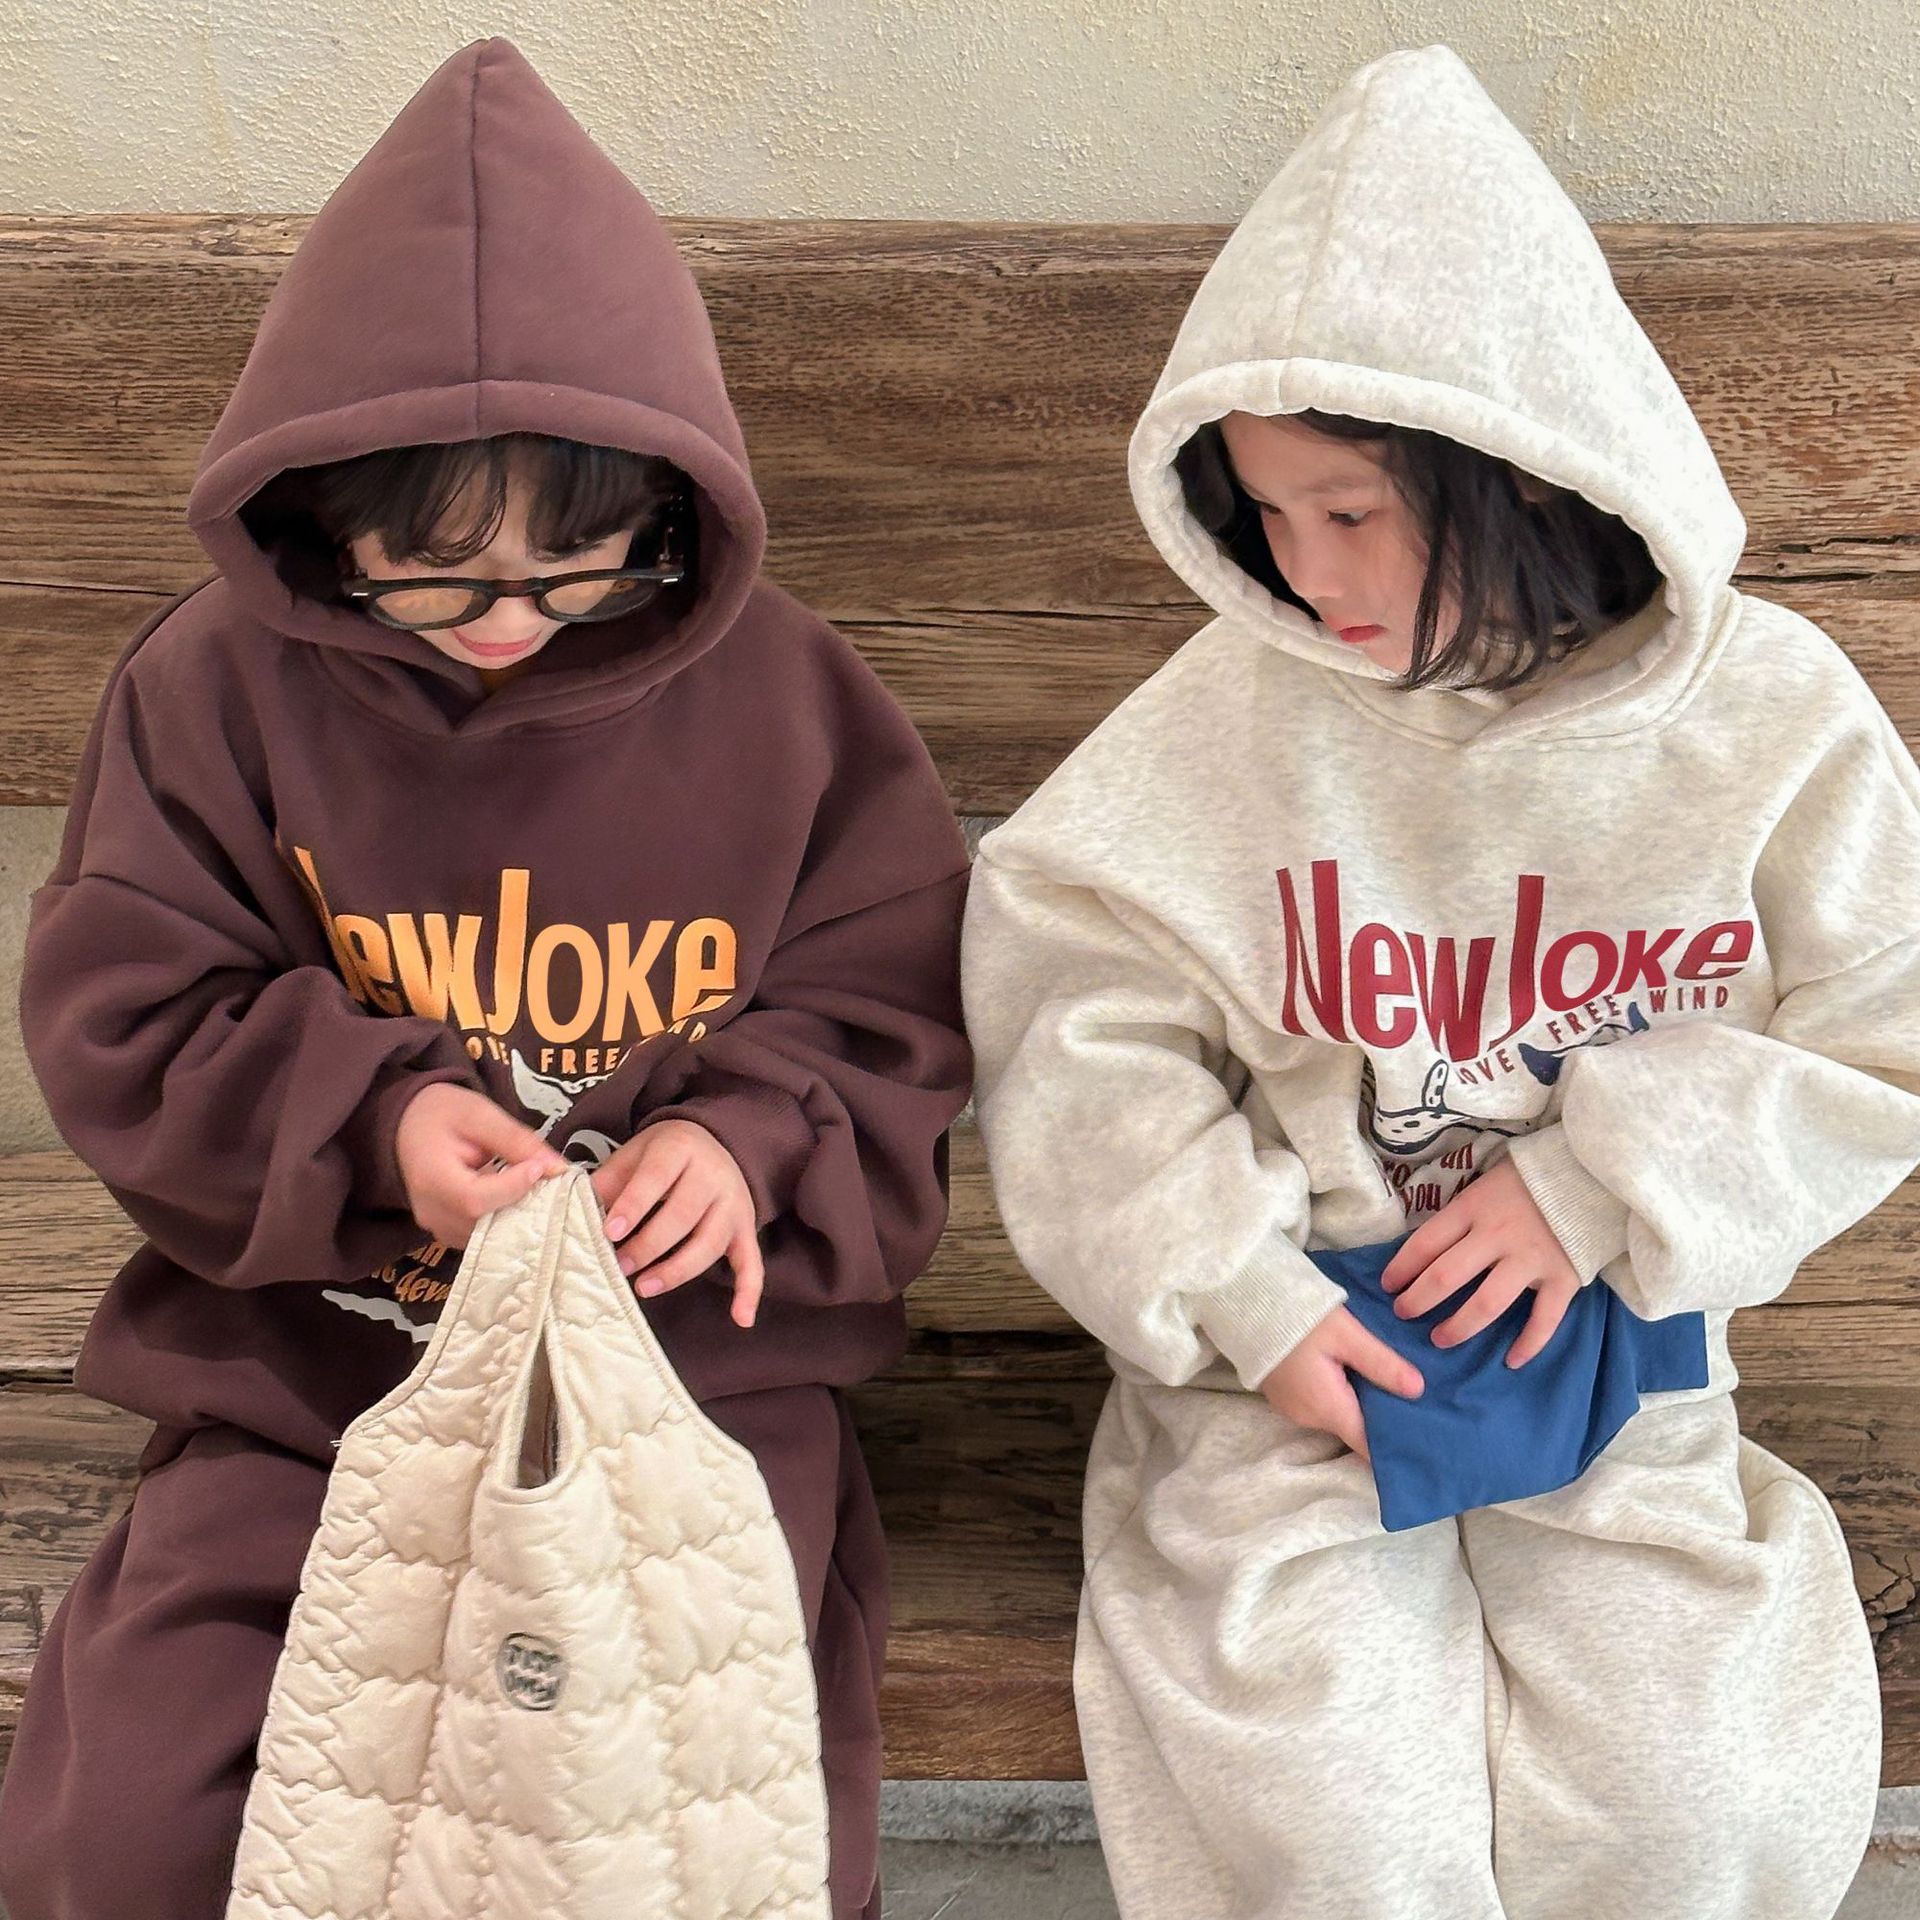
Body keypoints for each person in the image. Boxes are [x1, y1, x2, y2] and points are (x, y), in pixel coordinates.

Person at [0, 36, 971, 1920]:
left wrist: (753, 1142)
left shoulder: (790, 700)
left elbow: (895, 1000)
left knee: (696, 1811)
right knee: (137, 1815)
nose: (512, 622)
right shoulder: (215, 691)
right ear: (320, 510)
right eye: (437, 576)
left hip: (687, 1383)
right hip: (318, 1370)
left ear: (668, 505)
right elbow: (132, 999)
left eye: (581, 562)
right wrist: (376, 1124)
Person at [959, 41, 1920, 1920]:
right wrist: (1240, 1293)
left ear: (1528, 477)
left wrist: (1601, 1187)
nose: (1308, 573)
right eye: (1267, 514)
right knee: (1343, 1829)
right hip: (1295, 1368)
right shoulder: (1222, 727)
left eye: (1352, 510)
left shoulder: (1772, 722)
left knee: (1692, 1802)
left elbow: (1890, 1019)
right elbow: (1078, 1021)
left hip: (1619, 1357)